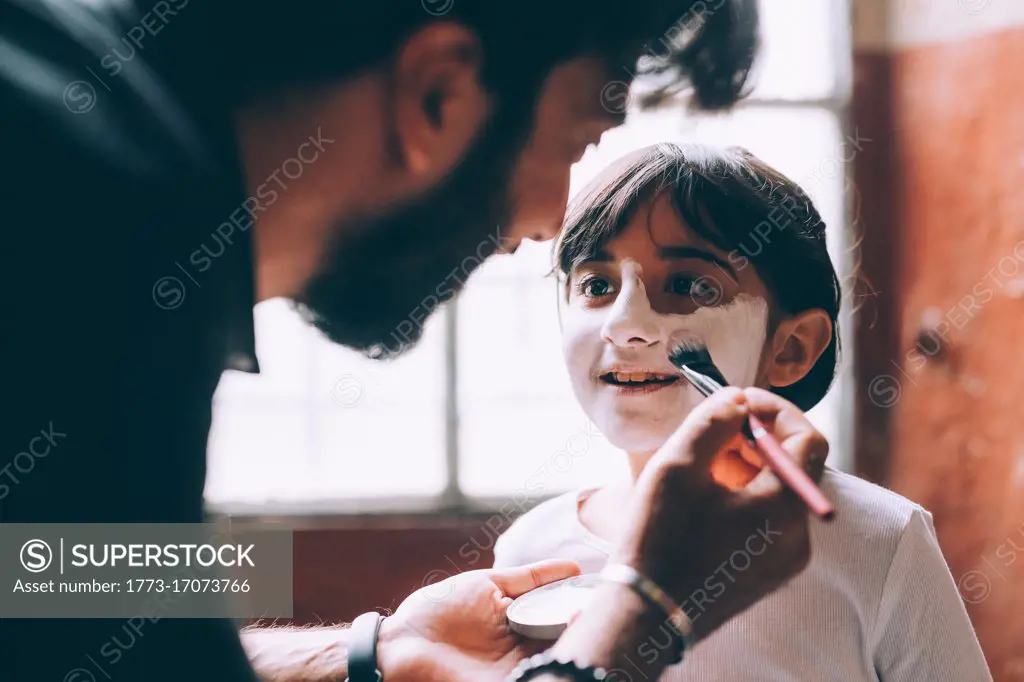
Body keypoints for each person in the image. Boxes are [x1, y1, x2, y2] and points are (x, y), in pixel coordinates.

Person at [2, 2, 825, 681]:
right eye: (576, 140)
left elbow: (44, 581)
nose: (546, 226)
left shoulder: (95, 152)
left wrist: (377, 652)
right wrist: (648, 610)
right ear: (440, 92)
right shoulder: (97, 220)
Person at [493, 143, 994, 680]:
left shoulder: (883, 539)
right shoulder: (533, 551)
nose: (625, 323)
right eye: (596, 285)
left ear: (792, 348)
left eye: (688, 285)